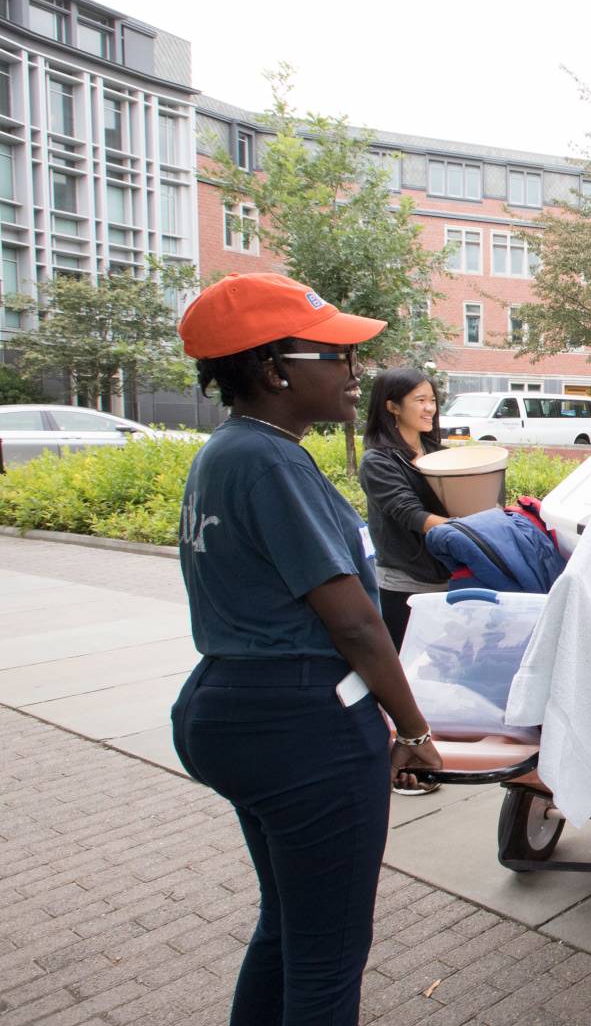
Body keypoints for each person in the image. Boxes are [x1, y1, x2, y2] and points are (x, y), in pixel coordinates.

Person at [170, 272, 442, 1025]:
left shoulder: (228, 452)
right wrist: (414, 731)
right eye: (336, 355)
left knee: (288, 928)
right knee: (327, 957)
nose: (356, 374)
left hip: (233, 707)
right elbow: (353, 622)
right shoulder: (271, 461)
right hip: (299, 727)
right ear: (273, 368)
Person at [357, 367, 450, 651]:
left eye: (432, 400)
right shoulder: (378, 461)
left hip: (448, 577)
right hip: (406, 583)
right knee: (410, 667)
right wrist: (466, 528)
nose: (429, 409)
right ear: (392, 406)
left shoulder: (439, 453)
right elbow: (411, 514)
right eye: (420, 400)